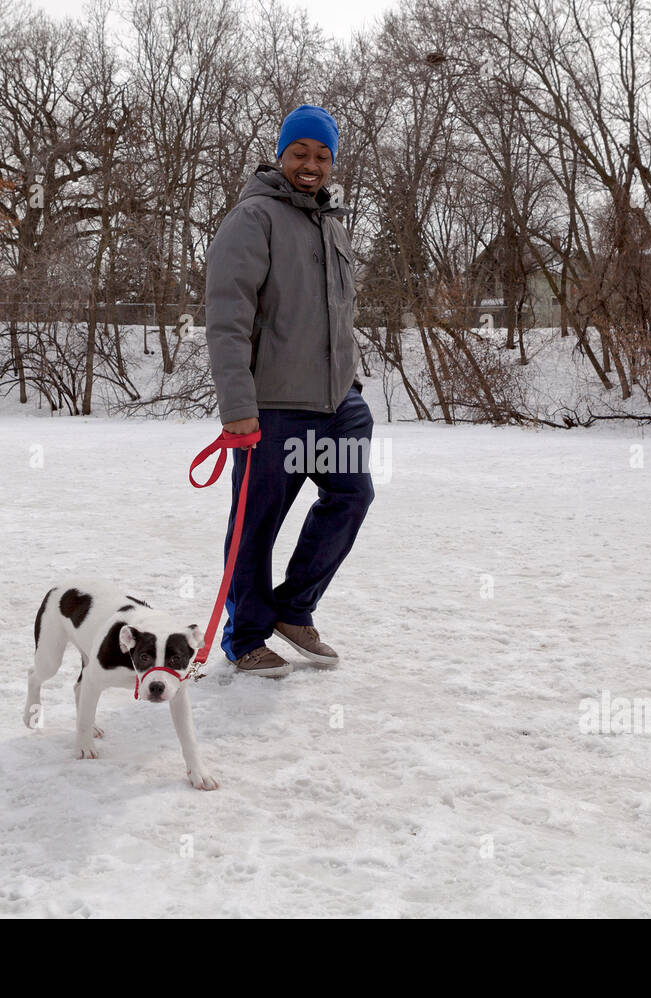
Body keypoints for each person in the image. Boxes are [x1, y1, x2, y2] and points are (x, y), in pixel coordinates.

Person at [204, 104, 375, 677]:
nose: (311, 164)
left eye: (322, 156)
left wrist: (350, 383)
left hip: (336, 406)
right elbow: (227, 320)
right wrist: (238, 409)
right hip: (273, 408)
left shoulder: (332, 223)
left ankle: (293, 609)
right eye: (300, 152)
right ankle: (246, 636)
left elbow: (336, 316)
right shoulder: (253, 218)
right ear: (281, 154)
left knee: (352, 496)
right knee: (256, 525)